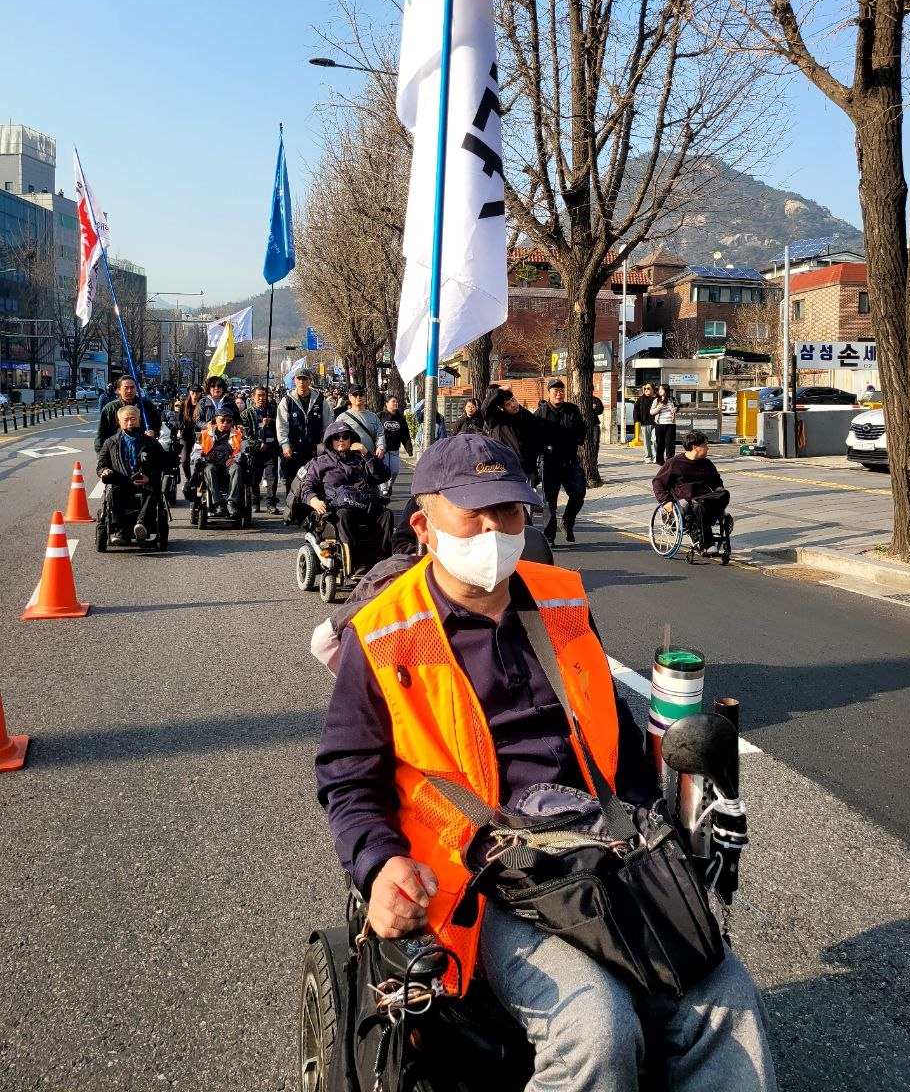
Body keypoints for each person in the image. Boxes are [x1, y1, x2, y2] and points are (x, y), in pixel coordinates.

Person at [315, 434, 776, 1092]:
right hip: (482, 876)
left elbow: (614, 736)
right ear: (423, 526)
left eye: (508, 512)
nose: (494, 530)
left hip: (596, 847)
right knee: (595, 1025)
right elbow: (348, 780)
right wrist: (379, 864)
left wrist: (655, 835)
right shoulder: (385, 634)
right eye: (472, 514)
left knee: (726, 997)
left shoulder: (560, 601)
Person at [300, 419, 392, 577]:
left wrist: (366, 454)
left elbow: (383, 475)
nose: (341, 440)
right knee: (344, 515)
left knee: (386, 514)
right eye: (337, 437)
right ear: (330, 441)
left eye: (345, 437)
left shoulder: (360, 460)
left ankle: (380, 563)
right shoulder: (319, 463)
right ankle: (355, 565)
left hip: (363, 505)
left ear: (351, 440)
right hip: (336, 509)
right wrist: (314, 500)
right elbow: (307, 487)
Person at [652, 430, 732, 554]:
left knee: (724, 494)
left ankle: (714, 513)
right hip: (687, 500)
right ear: (695, 447)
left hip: (705, 498)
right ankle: (707, 544)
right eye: (705, 445)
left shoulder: (706, 463)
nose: (708, 448)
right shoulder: (674, 463)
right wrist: (666, 501)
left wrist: (718, 489)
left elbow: (716, 481)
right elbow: (658, 483)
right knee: (698, 506)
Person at [96, 404, 168, 541]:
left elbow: (163, 463)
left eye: (133, 419)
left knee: (153, 491)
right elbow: (101, 465)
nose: (130, 422)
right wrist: (104, 471)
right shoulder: (110, 442)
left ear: (139, 420)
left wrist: (150, 477)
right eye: (126, 420)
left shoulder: (151, 442)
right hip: (122, 482)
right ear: (119, 422)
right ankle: (121, 531)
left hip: (145, 481)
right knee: (113, 494)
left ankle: (141, 525)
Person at [534, 379, 586, 545]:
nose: (559, 393)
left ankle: (567, 522)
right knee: (550, 501)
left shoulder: (572, 410)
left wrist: (578, 439)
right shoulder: (541, 413)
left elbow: (581, 429)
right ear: (548, 393)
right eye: (555, 390)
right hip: (550, 463)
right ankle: (549, 537)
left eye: (561, 390)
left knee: (578, 493)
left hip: (570, 461)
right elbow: (532, 437)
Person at [276, 370, 334, 498]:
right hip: (294, 451)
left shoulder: (320, 400)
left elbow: (328, 425)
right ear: (294, 381)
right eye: (299, 379)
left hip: (315, 451)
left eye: (305, 379)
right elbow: (282, 425)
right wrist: (285, 445)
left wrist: (326, 445)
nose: (302, 382)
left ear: (310, 381)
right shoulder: (287, 401)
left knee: (314, 482)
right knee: (293, 484)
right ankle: (292, 512)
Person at [480, 385, 542, 479]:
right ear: (502, 408)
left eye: (513, 400)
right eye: (507, 404)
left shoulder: (525, 415)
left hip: (527, 469)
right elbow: (485, 408)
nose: (513, 405)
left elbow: (536, 437)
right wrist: (499, 390)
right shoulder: (496, 420)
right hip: (506, 468)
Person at [197, 409, 247, 518]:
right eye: (222, 420)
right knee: (209, 469)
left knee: (236, 468)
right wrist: (202, 457)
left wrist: (236, 458)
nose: (225, 423)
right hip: (211, 464)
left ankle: (231, 503)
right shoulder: (205, 434)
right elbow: (195, 453)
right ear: (216, 420)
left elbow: (244, 451)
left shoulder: (237, 434)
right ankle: (218, 504)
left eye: (229, 421)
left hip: (229, 464)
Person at [94, 376, 162, 452]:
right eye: (126, 388)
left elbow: (157, 424)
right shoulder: (110, 408)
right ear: (119, 390)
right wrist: (101, 455)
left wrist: (154, 432)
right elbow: (101, 434)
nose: (129, 391)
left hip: (144, 450)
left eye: (132, 387)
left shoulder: (147, 405)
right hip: (118, 451)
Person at [243, 385, 280, 514]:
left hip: (271, 448)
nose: (261, 398)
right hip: (256, 451)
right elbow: (247, 434)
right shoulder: (247, 414)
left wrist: (272, 421)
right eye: (259, 395)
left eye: (263, 395)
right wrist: (258, 444)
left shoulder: (273, 410)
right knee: (255, 478)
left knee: (272, 478)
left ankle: (271, 503)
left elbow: (281, 426)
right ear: (253, 397)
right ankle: (255, 502)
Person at [378, 394, 413, 494]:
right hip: (383, 450)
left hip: (394, 449)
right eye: (393, 401)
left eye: (396, 402)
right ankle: (384, 489)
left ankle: (389, 486)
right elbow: (375, 432)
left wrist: (409, 449)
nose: (396, 403)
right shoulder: (380, 416)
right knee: (384, 470)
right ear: (386, 403)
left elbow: (405, 434)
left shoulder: (401, 418)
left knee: (394, 471)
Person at [651, 383, 679, 466]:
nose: (660, 391)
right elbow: (651, 412)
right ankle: (660, 460)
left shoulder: (673, 399)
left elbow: (677, 407)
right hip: (660, 424)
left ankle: (670, 460)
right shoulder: (657, 400)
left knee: (670, 444)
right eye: (659, 389)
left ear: (666, 390)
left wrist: (676, 409)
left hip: (670, 424)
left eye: (661, 389)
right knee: (660, 443)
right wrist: (659, 408)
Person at [633, 383, 656, 463]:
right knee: (646, 441)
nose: (646, 390)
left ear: (653, 389)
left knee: (655, 440)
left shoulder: (657, 398)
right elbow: (636, 409)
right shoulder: (641, 399)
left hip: (656, 423)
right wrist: (637, 420)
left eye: (648, 388)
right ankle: (648, 457)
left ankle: (655, 457)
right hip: (645, 423)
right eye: (645, 388)